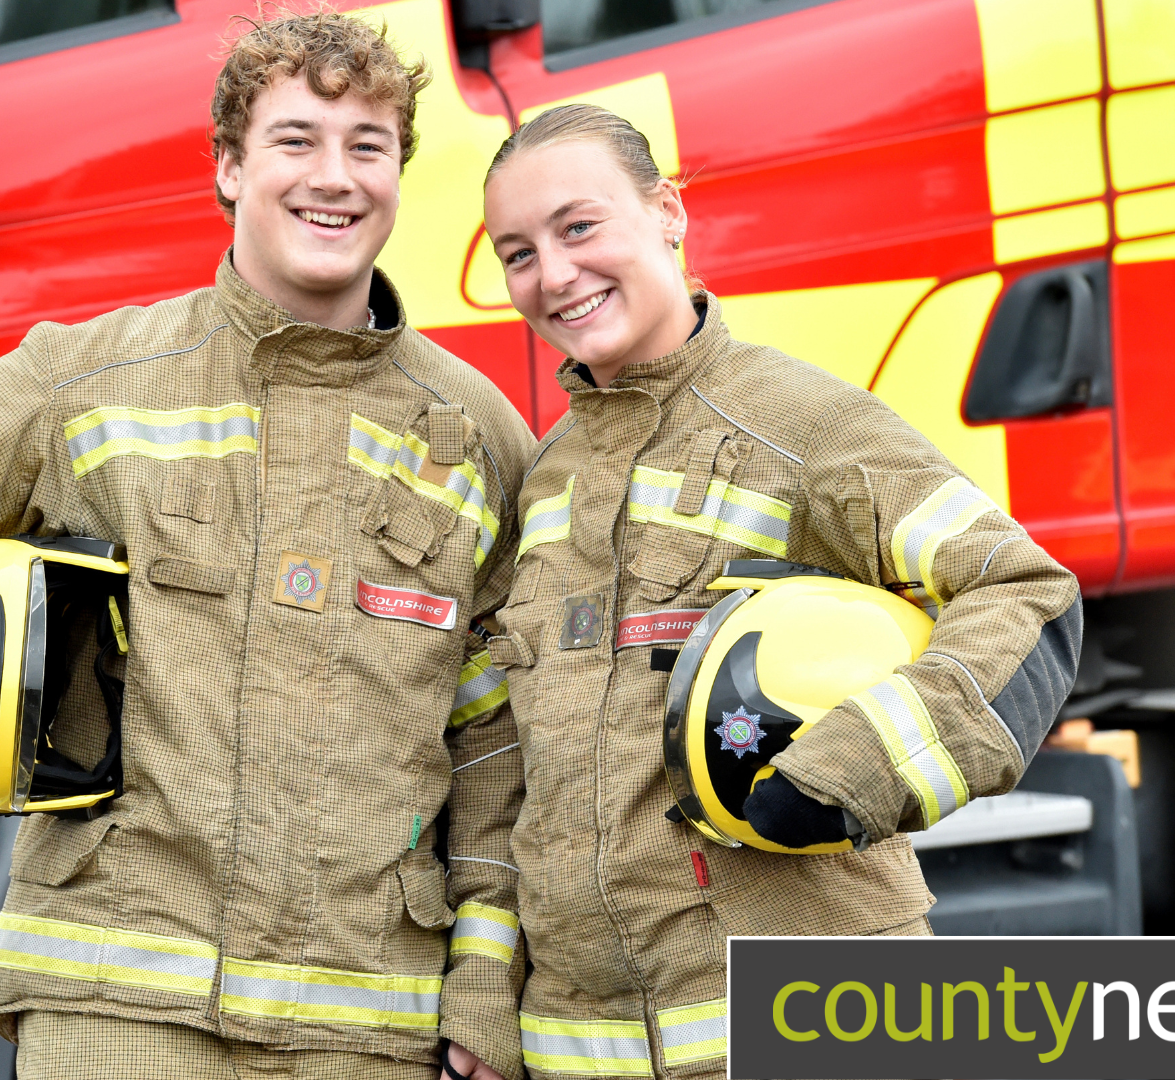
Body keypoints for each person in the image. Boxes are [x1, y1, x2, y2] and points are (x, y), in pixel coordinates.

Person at [0, 13, 535, 1079]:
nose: (333, 177)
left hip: (364, 1030)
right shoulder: (83, 383)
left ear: (400, 174)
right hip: (116, 1015)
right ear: (228, 168)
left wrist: (484, 978)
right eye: (295, 141)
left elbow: (501, 740)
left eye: (367, 146)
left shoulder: (479, 439)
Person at [453, 104, 1082, 1080]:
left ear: (667, 212)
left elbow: (1025, 591)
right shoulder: (546, 483)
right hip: (579, 1044)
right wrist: (488, 1006)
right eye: (519, 252)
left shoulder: (802, 427)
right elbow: (503, 771)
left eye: (580, 226)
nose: (554, 274)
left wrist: (856, 769)